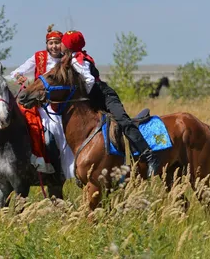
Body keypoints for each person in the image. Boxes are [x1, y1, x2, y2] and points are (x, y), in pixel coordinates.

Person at [60, 30, 159, 178]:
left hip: (104, 96)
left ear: (69, 46)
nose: (60, 44)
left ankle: (149, 156)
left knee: (123, 121)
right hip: (94, 98)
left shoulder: (77, 61)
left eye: (63, 42)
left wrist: (83, 96)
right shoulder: (70, 59)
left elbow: (89, 81)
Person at [9, 24, 75, 179]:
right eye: (51, 43)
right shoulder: (39, 57)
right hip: (40, 104)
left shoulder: (67, 60)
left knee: (55, 129)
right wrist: (20, 77)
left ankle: (60, 165)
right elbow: (17, 72)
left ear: (62, 44)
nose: (54, 46)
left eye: (57, 42)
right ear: (47, 45)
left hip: (61, 105)